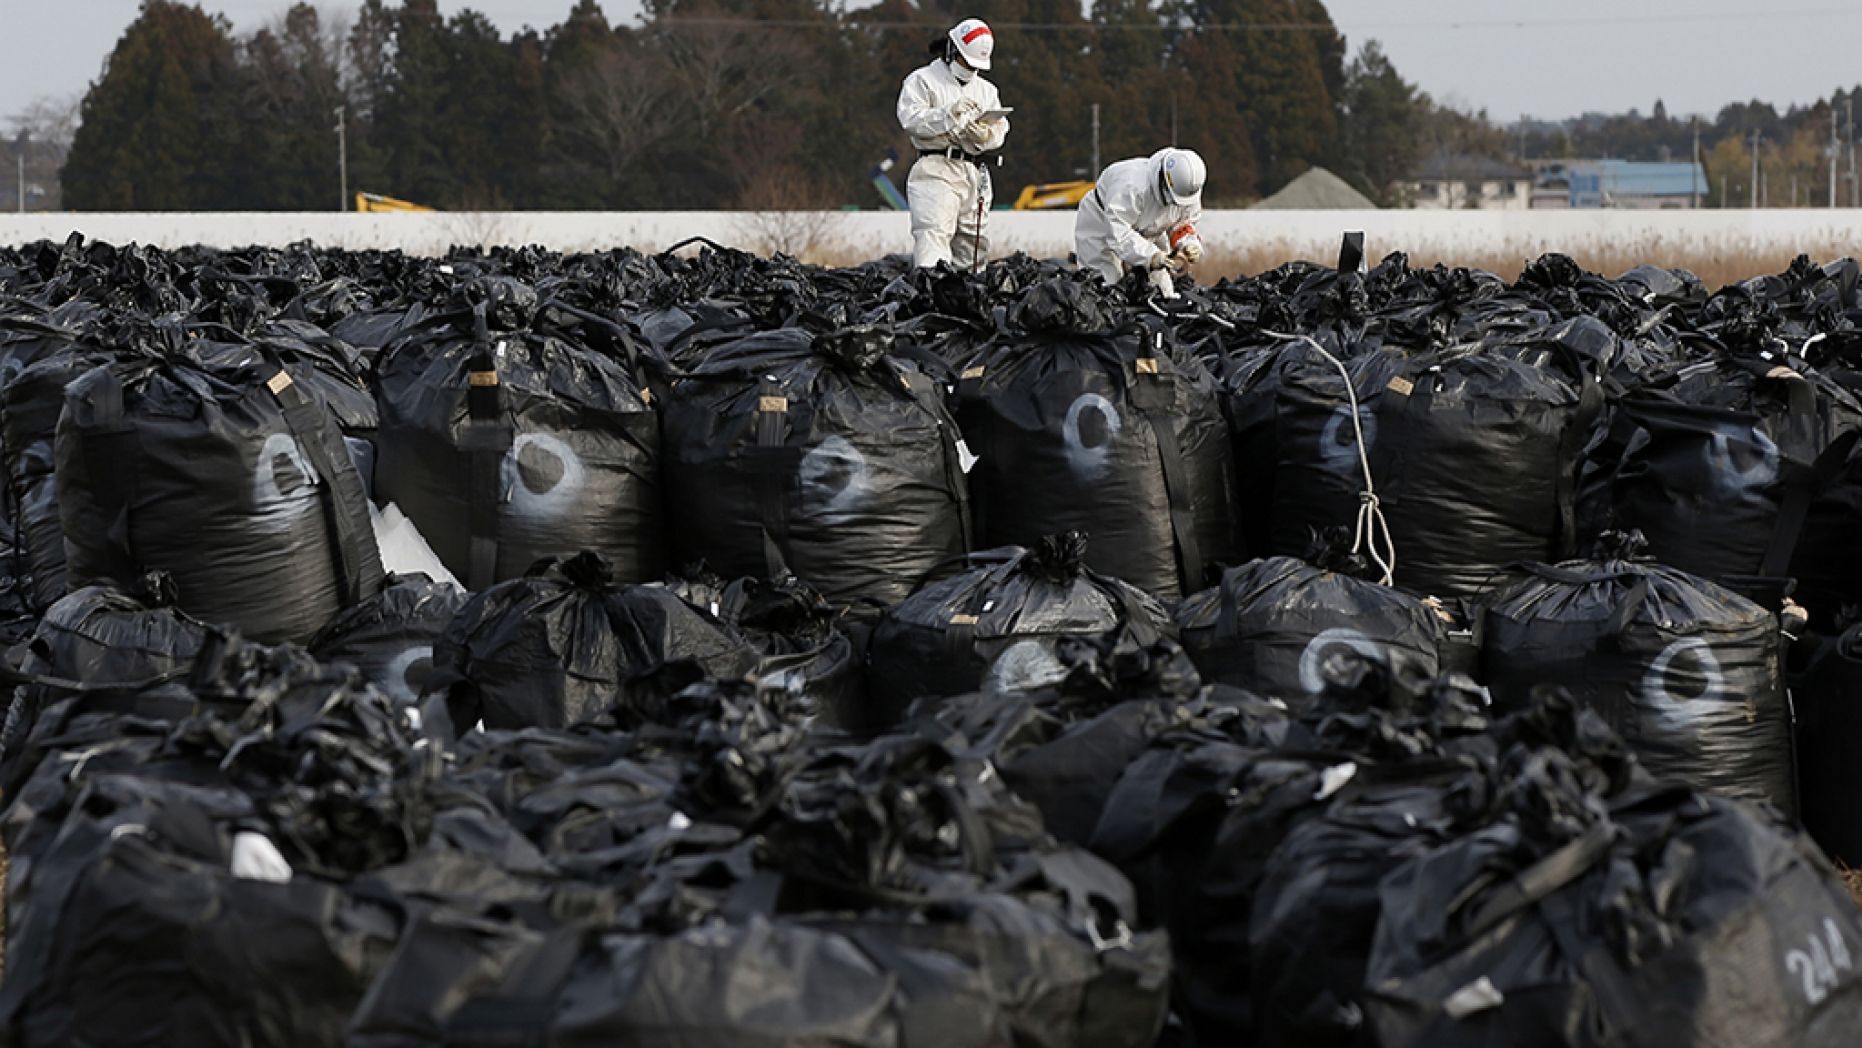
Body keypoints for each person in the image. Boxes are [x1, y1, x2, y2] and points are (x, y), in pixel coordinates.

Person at [896, 18, 1009, 270]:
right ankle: (932, 296)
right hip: (936, 168)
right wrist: (947, 115)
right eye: (966, 61)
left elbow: (1000, 128)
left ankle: (966, 302)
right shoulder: (923, 81)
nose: (969, 68)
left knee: (973, 248)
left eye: (974, 64)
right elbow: (911, 120)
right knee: (934, 236)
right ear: (952, 50)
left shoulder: (986, 90)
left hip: (974, 173)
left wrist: (985, 136)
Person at [1074, 148, 1207, 298]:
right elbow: (1119, 234)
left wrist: (1188, 243)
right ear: (1165, 181)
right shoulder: (1131, 186)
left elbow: (1182, 222)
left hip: (1149, 231)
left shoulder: (1186, 189)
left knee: (1162, 290)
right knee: (1106, 286)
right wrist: (1151, 256)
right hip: (1101, 222)